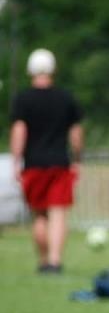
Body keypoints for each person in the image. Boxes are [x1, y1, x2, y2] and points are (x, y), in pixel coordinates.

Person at [8, 48, 83, 274]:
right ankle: (55, 259)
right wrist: (78, 158)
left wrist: (15, 161)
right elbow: (76, 134)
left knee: (39, 214)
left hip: (33, 164)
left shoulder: (22, 99)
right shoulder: (66, 98)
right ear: (53, 70)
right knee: (58, 213)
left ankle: (43, 261)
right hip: (60, 163)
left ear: (30, 70)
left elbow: (19, 131)